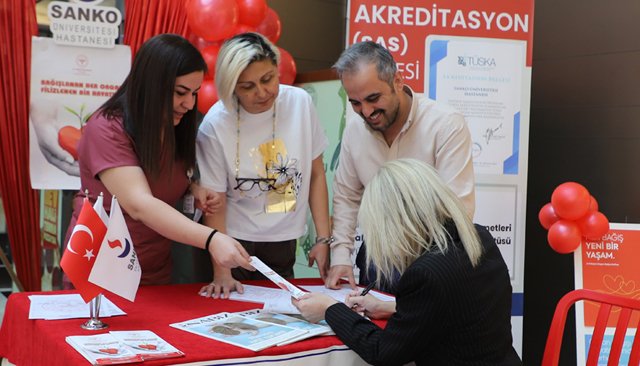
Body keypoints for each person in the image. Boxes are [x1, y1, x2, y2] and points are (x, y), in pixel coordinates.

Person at [64, 34, 252, 286]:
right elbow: (139, 203)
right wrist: (211, 238)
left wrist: (193, 189)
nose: (189, 104)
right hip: (100, 263)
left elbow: (165, 176)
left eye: (195, 93)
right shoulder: (107, 128)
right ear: (152, 85)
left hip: (153, 266)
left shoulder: (176, 125)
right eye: (181, 92)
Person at [294, 159, 521, 366]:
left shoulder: (426, 274)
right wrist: (390, 308)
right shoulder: (478, 238)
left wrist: (329, 309)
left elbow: (384, 353)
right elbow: (456, 309)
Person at [326, 41, 476, 292]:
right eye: (355, 103)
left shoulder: (445, 124)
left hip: (433, 260)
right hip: (377, 261)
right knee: (371, 331)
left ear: (397, 80)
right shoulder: (354, 130)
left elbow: (458, 209)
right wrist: (341, 256)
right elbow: (347, 197)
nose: (366, 111)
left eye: (373, 98)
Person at [196, 32, 331, 299]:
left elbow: (316, 174)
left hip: (284, 239)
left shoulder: (300, 103)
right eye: (248, 86)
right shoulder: (216, 124)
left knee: (282, 316)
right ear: (231, 87)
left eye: (268, 79)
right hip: (233, 241)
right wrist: (222, 271)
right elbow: (215, 200)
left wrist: (323, 238)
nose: (262, 92)